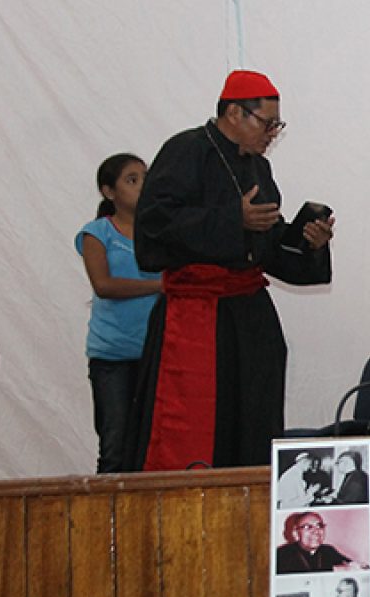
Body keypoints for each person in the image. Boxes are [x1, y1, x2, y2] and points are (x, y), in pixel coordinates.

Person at [129, 69, 335, 471]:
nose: (272, 134)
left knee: (254, 421)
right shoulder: (185, 150)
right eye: (267, 123)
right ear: (235, 113)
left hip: (249, 317)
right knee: (195, 428)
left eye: (277, 125)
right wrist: (230, 219)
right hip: (198, 313)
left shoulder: (258, 168)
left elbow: (267, 247)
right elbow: (153, 226)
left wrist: (309, 242)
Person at [74, 153, 163, 472]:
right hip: (113, 358)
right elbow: (104, 285)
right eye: (132, 180)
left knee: (156, 444)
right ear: (109, 191)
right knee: (115, 447)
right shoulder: (97, 233)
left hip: (158, 353)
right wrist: (159, 286)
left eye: (146, 177)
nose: (142, 185)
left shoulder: (162, 232)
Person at [275, 511, 363, 574]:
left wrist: (358, 566)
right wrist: (333, 570)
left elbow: (352, 565)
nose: (316, 531)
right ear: (295, 533)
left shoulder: (328, 550)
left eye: (319, 526)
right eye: (308, 527)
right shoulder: (281, 554)